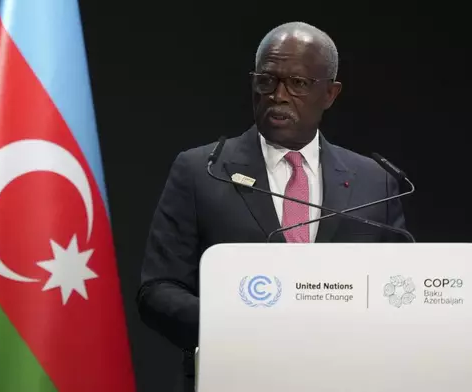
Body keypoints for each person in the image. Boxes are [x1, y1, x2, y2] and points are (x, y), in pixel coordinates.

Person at [137, 21, 408, 392]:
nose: (278, 95)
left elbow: (400, 289)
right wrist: (237, 327)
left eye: (298, 83)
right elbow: (157, 290)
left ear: (330, 93)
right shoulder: (203, 171)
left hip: (344, 377)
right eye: (267, 80)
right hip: (236, 376)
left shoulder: (375, 181)